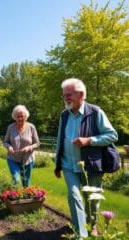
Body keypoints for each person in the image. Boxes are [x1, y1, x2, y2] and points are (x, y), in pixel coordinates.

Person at [54, 78, 118, 238]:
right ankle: (81, 234)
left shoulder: (95, 112)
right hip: (69, 164)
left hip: (91, 166)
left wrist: (89, 140)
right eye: (64, 95)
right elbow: (60, 139)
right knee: (74, 196)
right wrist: (57, 164)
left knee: (92, 198)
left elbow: (112, 135)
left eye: (69, 94)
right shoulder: (64, 115)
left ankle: (93, 224)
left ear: (81, 94)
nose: (66, 98)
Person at [4, 105, 40, 187]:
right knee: (16, 180)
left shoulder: (31, 127)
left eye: (22, 116)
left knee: (26, 182)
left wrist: (29, 147)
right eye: (18, 117)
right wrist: (9, 147)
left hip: (28, 159)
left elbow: (37, 143)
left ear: (26, 116)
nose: (20, 118)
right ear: (14, 117)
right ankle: (14, 197)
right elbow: (5, 142)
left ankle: (25, 198)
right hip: (13, 158)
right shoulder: (10, 127)